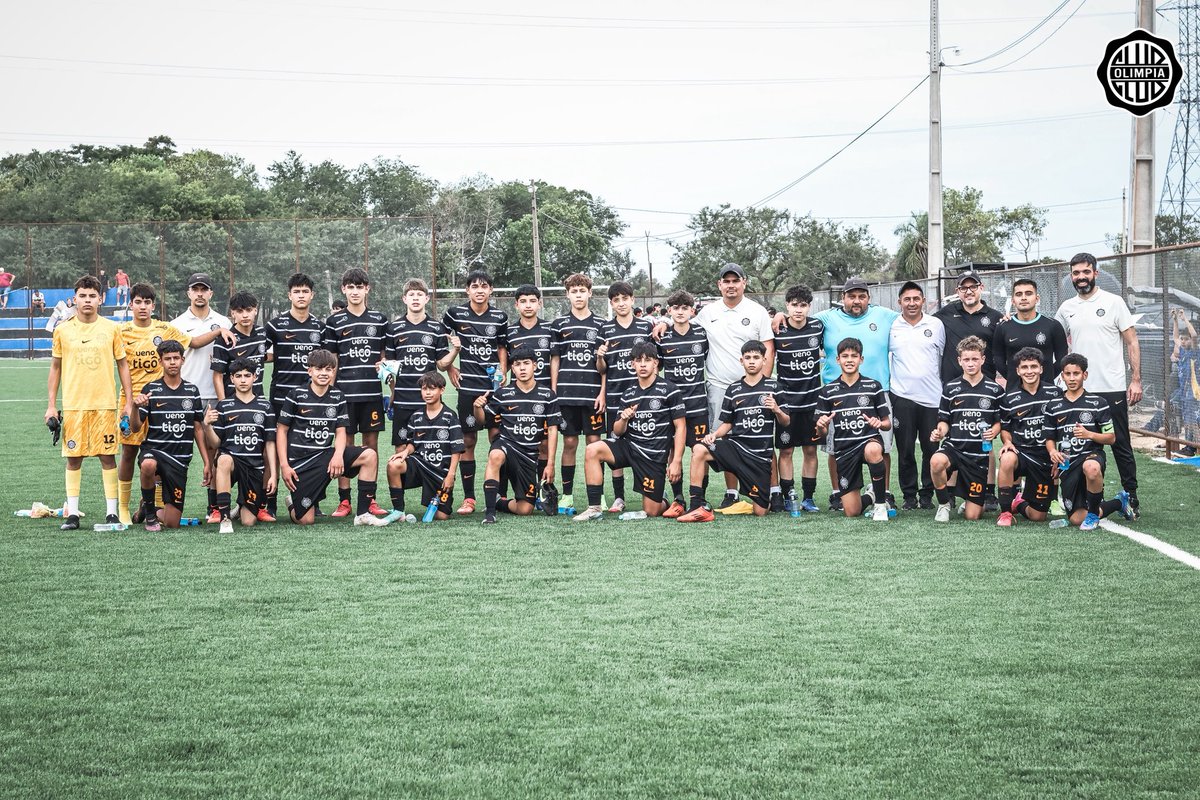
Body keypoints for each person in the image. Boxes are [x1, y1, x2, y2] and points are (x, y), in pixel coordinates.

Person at [116, 282, 224, 525]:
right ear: (131, 304)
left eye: (147, 302)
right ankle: (124, 508)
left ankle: (150, 502)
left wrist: (218, 331)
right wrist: (130, 402)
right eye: (138, 302)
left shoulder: (166, 328)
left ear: (153, 306)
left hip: (167, 396)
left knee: (172, 521)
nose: (143, 306)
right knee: (131, 452)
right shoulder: (120, 331)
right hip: (135, 399)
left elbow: (193, 342)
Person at [1055, 252, 1142, 518]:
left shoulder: (1113, 302)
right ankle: (1082, 496)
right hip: (1078, 389)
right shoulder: (1066, 308)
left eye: (1085, 272)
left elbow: (1132, 341)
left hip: (1111, 387)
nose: (1081, 277)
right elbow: (1051, 336)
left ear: (1095, 272)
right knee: (1077, 443)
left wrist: (1136, 379)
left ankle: (1131, 498)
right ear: (1072, 276)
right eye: (1076, 273)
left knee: (1120, 445)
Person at [46, 275, 134, 530]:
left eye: (92, 296)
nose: (87, 300)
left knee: (108, 457)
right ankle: (72, 514)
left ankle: (111, 513)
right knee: (74, 459)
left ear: (100, 298)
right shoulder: (63, 330)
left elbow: (122, 365)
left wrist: (127, 402)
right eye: (82, 296)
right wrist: (52, 405)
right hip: (74, 406)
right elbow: (55, 368)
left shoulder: (111, 328)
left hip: (105, 405)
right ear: (75, 299)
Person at [688, 263, 775, 511]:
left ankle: (772, 491)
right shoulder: (708, 312)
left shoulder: (756, 311)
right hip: (718, 386)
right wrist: (663, 325)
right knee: (723, 440)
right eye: (726, 281)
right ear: (719, 285)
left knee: (761, 438)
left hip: (753, 388)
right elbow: (686, 327)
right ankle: (731, 492)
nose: (731, 285)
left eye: (735, 281)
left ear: (744, 283)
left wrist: (762, 385)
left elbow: (768, 347)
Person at [677, 340, 789, 521]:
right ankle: (696, 506)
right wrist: (714, 434)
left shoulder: (774, 387)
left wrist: (777, 410)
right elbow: (728, 423)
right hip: (736, 449)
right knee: (699, 449)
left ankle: (760, 497)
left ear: (764, 360)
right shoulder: (733, 389)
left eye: (756, 357)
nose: (752, 361)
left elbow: (785, 421)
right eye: (747, 358)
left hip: (759, 457)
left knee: (761, 511)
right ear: (741, 361)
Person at [574, 341, 685, 521]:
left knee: (652, 511)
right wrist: (624, 418)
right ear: (632, 364)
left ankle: (663, 497)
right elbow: (617, 432)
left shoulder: (669, 390)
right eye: (638, 361)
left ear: (655, 363)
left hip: (653, 456)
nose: (642, 364)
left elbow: (680, 426)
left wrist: (677, 460)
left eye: (647, 360)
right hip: (630, 447)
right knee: (592, 449)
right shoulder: (629, 393)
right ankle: (594, 508)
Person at [276, 349, 386, 527]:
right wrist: (285, 465)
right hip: (301, 463)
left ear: (334, 372)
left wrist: (337, 455)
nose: (324, 373)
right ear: (309, 371)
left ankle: (363, 513)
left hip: (325, 456)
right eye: (319, 369)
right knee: (305, 520)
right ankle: (292, 502)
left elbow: (341, 431)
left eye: (328, 369)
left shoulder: (338, 396)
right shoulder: (296, 395)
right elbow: (281, 431)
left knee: (370, 455)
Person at [322, 268, 389, 519]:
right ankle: (345, 501)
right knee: (346, 446)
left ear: (367, 289)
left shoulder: (380, 320)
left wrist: (385, 370)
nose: (355, 291)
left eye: (359, 287)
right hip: (344, 395)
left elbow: (385, 357)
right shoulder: (334, 321)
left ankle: (369, 501)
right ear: (344, 290)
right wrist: (332, 391)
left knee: (371, 446)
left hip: (371, 393)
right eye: (350, 287)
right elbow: (332, 361)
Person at [934, 270, 1005, 510]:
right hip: (954, 387)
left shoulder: (995, 317)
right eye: (963, 287)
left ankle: (989, 492)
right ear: (957, 291)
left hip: (985, 387)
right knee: (956, 437)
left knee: (985, 439)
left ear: (981, 287)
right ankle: (952, 492)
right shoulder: (945, 314)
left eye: (972, 286)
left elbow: (1003, 348)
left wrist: (1002, 378)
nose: (968, 291)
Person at [441, 268, 508, 514]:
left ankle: (499, 494)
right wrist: (450, 370)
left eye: (484, 287)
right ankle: (469, 498)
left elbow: (502, 346)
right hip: (467, 386)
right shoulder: (454, 313)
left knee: (497, 439)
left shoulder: (499, 317)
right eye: (475, 287)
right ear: (467, 290)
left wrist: (502, 371)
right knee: (468, 439)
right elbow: (443, 342)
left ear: (490, 290)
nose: (480, 291)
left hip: (493, 389)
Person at [1043, 353, 1134, 530]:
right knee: (1076, 519)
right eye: (1067, 374)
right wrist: (1053, 452)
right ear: (1062, 376)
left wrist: (1089, 434)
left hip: (1091, 455)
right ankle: (1118, 502)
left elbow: (1111, 438)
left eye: (1076, 373)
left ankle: (1093, 514)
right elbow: (1049, 438)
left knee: (1091, 468)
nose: (1071, 378)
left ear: (1084, 375)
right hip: (1067, 463)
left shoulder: (1098, 403)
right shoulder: (1053, 405)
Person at [171, 272, 233, 520]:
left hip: (213, 395)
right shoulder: (176, 324)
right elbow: (193, 343)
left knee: (214, 452)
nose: (199, 294)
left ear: (210, 293)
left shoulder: (223, 320)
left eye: (203, 289)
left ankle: (214, 507)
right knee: (177, 449)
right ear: (188, 293)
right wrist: (218, 332)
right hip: (184, 395)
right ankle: (161, 503)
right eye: (195, 289)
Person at [131, 340, 211, 531]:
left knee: (172, 523)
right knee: (148, 465)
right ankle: (150, 516)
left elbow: (198, 428)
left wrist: (207, 462)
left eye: (176, 358)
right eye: (168, 359)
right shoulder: (150, 390)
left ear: (183, 360)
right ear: (161, 362)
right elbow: (135, 428)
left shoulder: (192, 391)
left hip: (180, 459)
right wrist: (135, 408)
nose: (172, 362)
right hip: (155, 451)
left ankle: (147, 505)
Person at [263, 273, 325, 518]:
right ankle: (269, 502)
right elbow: (260, 352)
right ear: (289, 295)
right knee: (275, 450)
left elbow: (328, 363)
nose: (301, 296)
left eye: (305, 291)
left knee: (312, 446)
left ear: (312, 295)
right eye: (296, 292)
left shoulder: (320, 327)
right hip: (281, 396)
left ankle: (312, 500)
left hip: (313, 399)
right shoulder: (275, 325)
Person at [476, 348, 561, 524]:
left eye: (526, 364)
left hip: (529, 456)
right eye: (517, 364)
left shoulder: (547, 395)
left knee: (525, 509)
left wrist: (550, 464)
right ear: (512, 369)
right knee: (495, 454)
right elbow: (482, 420)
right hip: (507, 446)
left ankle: (499, 502)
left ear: (535, 366)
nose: (522, 368)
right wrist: (477, 408)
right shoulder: (502, 394)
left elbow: (552, 430)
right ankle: (490, 513)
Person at [811, 337, 892, 521]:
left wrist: (880, 424)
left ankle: (880, 505)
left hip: (868, 441)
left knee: (873, 450)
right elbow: (820, 434)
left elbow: (886, 423)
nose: (849, 360)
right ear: (837, 360)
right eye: (845, 356)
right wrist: (821, 425)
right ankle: (871, 496)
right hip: (844, 450)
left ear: (861, 359)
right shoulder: (827, 391)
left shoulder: (873, 386)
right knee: (852, 511)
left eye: (854, 356)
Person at [929, 336, 1004, 522]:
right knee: (936, 461)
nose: (971, 364)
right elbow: (944, 420)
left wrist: (995, 431)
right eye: (966, 359)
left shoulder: (994, 390)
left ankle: (971, 501)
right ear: (959, 361)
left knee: (973, 516)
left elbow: (1000, 420)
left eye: (975, 359)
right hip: (954, 448)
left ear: (983, 360)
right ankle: (944, 503)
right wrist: (940, 431)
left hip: (978, 456)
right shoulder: (950, 388)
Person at [382, 278, 454, 472]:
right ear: (404, 299)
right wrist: (393, 393)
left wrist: (455, 351)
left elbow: (441, 363)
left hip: (429, 402)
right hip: (403, 401)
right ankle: (400, 501)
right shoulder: (393, 328)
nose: (415, 298)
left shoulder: (437, 328)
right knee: (401, 447)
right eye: (411, 295)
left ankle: (432, 494)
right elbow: (390, 368)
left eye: (419, 295)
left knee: (431, 446)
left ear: (427, 298)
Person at [597, 281, 656, 514]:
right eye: (616, 300)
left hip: (642, 396)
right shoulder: (606, 329)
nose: (621, 303)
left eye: (625, 298)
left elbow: (652, 362)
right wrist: (600, 357)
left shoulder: (645, 326)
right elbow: (602, 369)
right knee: (615, 444)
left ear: (633, 300)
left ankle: (650, 490)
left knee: (647, 440)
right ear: (611, 304)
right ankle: (619, 497)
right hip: (614, 395)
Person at [550, 273, 606, 511]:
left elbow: (605, 364)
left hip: (592, 395)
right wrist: (554, 391)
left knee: (595, 444)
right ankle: (568, 495)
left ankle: (599, 495)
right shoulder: (559, 324)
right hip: (567, 395)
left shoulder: (601, 324)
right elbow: (555, 360)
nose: (579, 295)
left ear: (590, 293)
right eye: (574, 291)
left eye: (582, 291)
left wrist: (603, 392)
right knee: (570, 442)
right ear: (568, 294)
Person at [888, 281, 945, 511]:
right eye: (907, 299)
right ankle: (909, 495)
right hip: (902, 397)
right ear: (899, 302)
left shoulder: (936, 325)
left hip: (932, 398)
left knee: (931, 449)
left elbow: (942, 358)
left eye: (916, 298)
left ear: (923, 301)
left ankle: (927, 494)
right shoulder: (892, 326)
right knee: (906, 449)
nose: (912, 303)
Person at [203, 357, 276, 533]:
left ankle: (241, 506)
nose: (243, 380)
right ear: (232, 378)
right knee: (224, 459)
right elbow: (216, 443)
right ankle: (225, 517)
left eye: (247, 375)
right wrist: (207, 427)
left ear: (255, 377)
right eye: (238, 376)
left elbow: (270, 443)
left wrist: (273, 474)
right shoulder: (224, 405)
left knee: (248, 522)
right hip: (233, 462)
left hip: (253, 467)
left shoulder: (265, 406)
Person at [772, 285, 825, 514]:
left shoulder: (817, 326)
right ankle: (788, 494)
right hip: (786, 404)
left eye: (803, 305)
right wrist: (777, 317)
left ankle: (808, 497)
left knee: (810, 450)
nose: (798, 310)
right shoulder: (777, 329)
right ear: (787, 306)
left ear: (809, 307)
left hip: (812, 402)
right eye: (794, 305)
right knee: (786, 451)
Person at [657, 290, 710, 517]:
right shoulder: (662, 337)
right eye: (676, 308)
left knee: (699, 450)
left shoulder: (701, 334)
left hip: (697, 405)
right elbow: (655, 367)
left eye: (684, 308)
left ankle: (700, 499)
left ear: (692, 311)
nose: (680, 312)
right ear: (669, 311)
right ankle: (678, 498)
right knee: (672, 451)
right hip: (672, 407)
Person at [384, 371, 463, 523]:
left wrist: (450, 475)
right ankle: (398, 511)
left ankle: (433, 500)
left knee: (442, 516)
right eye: (424, 389)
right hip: (420, 465)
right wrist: (405, 452)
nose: (427, 393)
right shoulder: (416, 416)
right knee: (393, 465)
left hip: (439, 473)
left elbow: (456, 449)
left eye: (432, 389)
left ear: (442, 390)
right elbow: (413, 443)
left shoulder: (450, 416)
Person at [995, 348, 1061, 526]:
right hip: (1022, 454)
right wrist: (1007, 442)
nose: (1029, 371)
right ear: (1018, 371)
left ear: (1041, 368)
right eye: (1024, 367)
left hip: (1045, 457)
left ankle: (1019, 502)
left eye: (1033, 366)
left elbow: (1062, 427)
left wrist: (1057, 455)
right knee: (1007, 458)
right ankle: (1006, 512)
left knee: (1038, 516)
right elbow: (1005, 428)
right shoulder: (1009, 398)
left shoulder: (1055, 394)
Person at [507, 284, 556, 484]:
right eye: (523, 301)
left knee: (543, 444)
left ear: (539, 303)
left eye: (533, 301)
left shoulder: (549, 328)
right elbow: (504, 358)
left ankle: (543, 490)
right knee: (515, 443)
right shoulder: (509, 331)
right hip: (516, 396)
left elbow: (554, 359)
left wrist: (553, 388)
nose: (528, 305)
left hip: (542, 397)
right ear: (516, 305)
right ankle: (513, 491)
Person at [992, 278, 1067, 388]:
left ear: (1037, 299)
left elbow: (1062, 358)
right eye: (1018, 294)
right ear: (1013, 300)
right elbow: (998, 359)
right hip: (1015, 391)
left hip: (1046, 390)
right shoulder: (1003, 327)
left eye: (1028, 293)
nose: (1023, 298)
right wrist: (1014, 378)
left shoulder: (1052, 325)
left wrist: (1047, 377)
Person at [211, 291, 267, 401]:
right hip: (233, 403)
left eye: (249, 310)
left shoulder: (262, 333)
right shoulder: (224, 340)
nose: (245, 315)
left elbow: (264, 356)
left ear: (255, 310)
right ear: (233, 313)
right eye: (240, 311)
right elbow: (218, 376)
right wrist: (223, 405)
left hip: (258, 401)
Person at [1171, 309, 1200, 452]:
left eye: (1185, 339)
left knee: (1192, 420)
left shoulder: (1194, 351)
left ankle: (1192, 447)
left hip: (1193, 392)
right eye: (1182, 339)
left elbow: (1193, 335)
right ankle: (1190, 445)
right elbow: (1175, 337)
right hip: (1184, 391)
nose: (1182, 341)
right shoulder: (1181, 351)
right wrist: (1175, 320)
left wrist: (1184, 319)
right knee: (1188, 420)